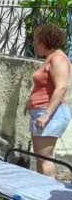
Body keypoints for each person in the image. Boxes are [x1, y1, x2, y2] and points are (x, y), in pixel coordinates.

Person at [27, 24, 70, 178]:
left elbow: (61, 87)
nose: (35, 45)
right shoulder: (50, 58)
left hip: (50, 114)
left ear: (45, 40)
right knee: (41, 158)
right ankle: (40, 194)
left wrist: (45, 114)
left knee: (45, 159)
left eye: (36, 41)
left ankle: (47, 199)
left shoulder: (58, 59)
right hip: (41, 113)